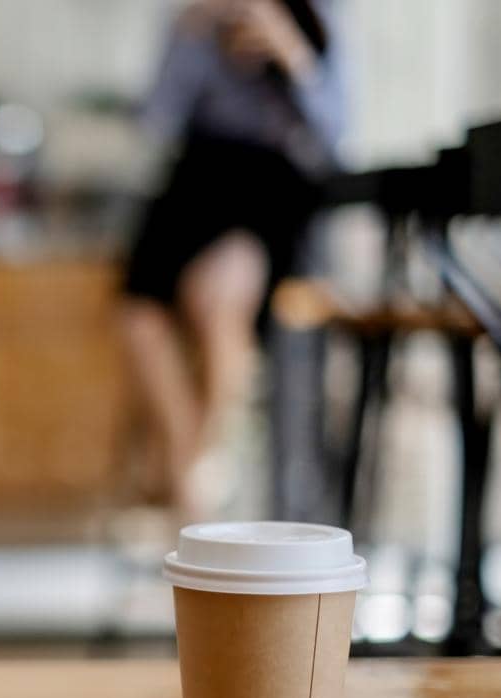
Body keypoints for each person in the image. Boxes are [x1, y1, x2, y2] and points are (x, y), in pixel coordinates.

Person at [120, 0, 345, 519]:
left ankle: (198, 471)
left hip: (269, 186)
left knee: (222, 299)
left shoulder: (324, 15)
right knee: (138, 314)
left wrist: (291, 52)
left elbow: (335, 135)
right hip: (196, 179)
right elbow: (156, 119)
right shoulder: (198, 21)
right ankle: (190, 455)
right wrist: (192, 39)